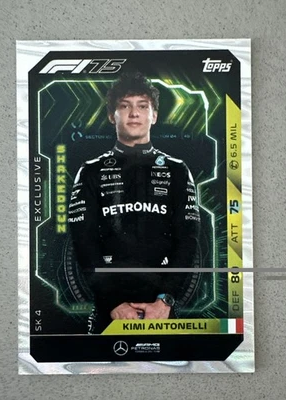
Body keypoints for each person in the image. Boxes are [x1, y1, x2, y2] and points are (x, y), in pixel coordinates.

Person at [68, 72, 200, 333]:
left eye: (143, 106)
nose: (134, 113)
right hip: (109, 312)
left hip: (162, 311)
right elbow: (83, 242)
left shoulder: (177, 170)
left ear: (154, 116)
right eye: (125, 106)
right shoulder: (91, 171)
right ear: (112, 116)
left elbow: (188, 240)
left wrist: (165, 300)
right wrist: (113, 302)